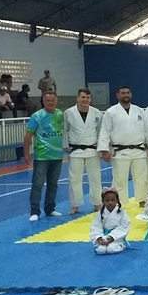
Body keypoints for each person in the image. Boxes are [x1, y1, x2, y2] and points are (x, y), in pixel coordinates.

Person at [98, 85, 148, 207]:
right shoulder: (111, 112)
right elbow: (104, 131)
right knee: (119, 179)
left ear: (131, 94)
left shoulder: (139, 111)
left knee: (141, 178)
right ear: (118, 95)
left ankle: (142, 200)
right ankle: (119, 202)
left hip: (139, 150)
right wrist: (104, 150)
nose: (126, 95)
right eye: (123, 93)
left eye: (127, 93)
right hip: (120, 151)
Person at [23, 90, 65, 222]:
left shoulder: (60, 114)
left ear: (56, 101)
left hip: (57, 156)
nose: (50, 103)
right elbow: (28, 136)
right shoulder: (37, 116)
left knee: (53, 184)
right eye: (47, 100)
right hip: (42, 156)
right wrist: (26, 154)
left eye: (52, 100)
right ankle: (34, 211)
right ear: (43, 101)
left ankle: (50, 208)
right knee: (38, 184)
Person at [64, 88, 103, 215]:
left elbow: (100, 132)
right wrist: (66, 148)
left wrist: (101, 148)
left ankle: (97, 203)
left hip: (93, 150)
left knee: (95, 178)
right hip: (75, 150)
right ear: (77, 98)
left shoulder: (97, 113)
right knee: (74, 180)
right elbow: (65, 131)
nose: (85, 100)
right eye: (83, 97)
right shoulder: (69, 113)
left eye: (87, 97)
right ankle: (75, 205)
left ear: (90, 99)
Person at [90, 188, 130, 255]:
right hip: (104, 237)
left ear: (117, 200)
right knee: (101, 250)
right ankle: (104, 242)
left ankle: (122, 245)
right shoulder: (100, 213)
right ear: (103, 201)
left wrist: (112, 237)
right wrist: (99, 238)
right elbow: (96, 227)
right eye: (107, 200)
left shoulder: (122, 213)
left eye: (112, 200)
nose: (110, 202)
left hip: (117, 238)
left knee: (111, 249)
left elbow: (124, 226)